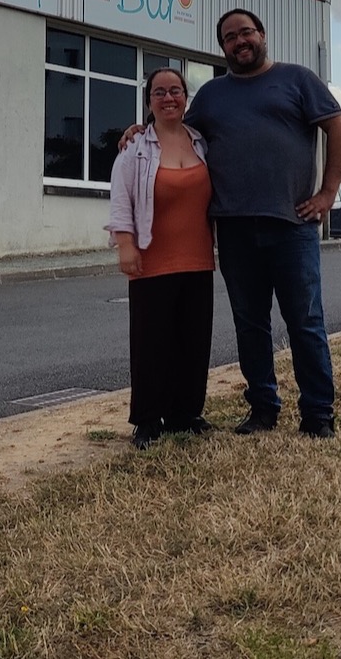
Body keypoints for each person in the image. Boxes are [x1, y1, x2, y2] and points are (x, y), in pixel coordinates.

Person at [188, 8, 341, 438]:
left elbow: (339, 129)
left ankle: (318, 415)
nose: (239, 42)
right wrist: (137, 129)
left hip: (291, 226)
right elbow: (177, 137)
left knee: (305, 322)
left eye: (246, 33)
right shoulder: (210, 96)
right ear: (222, 47)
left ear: (262, 35)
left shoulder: (298, 80)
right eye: (229, 37)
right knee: (250, 324)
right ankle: (263, 408)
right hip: (235, 228)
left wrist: (328, 193)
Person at [105, 67, 217, 449]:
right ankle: (148, 420)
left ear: (186, 97)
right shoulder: (135, 149)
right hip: (152, 260)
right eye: (159, 92)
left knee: (194, 341)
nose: (169, 98)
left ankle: (186, 413)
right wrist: (125, 245)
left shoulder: (202, 142)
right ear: (149, 101)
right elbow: (120, 199)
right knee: (152, 343)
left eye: (176, 91)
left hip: (199, 260)